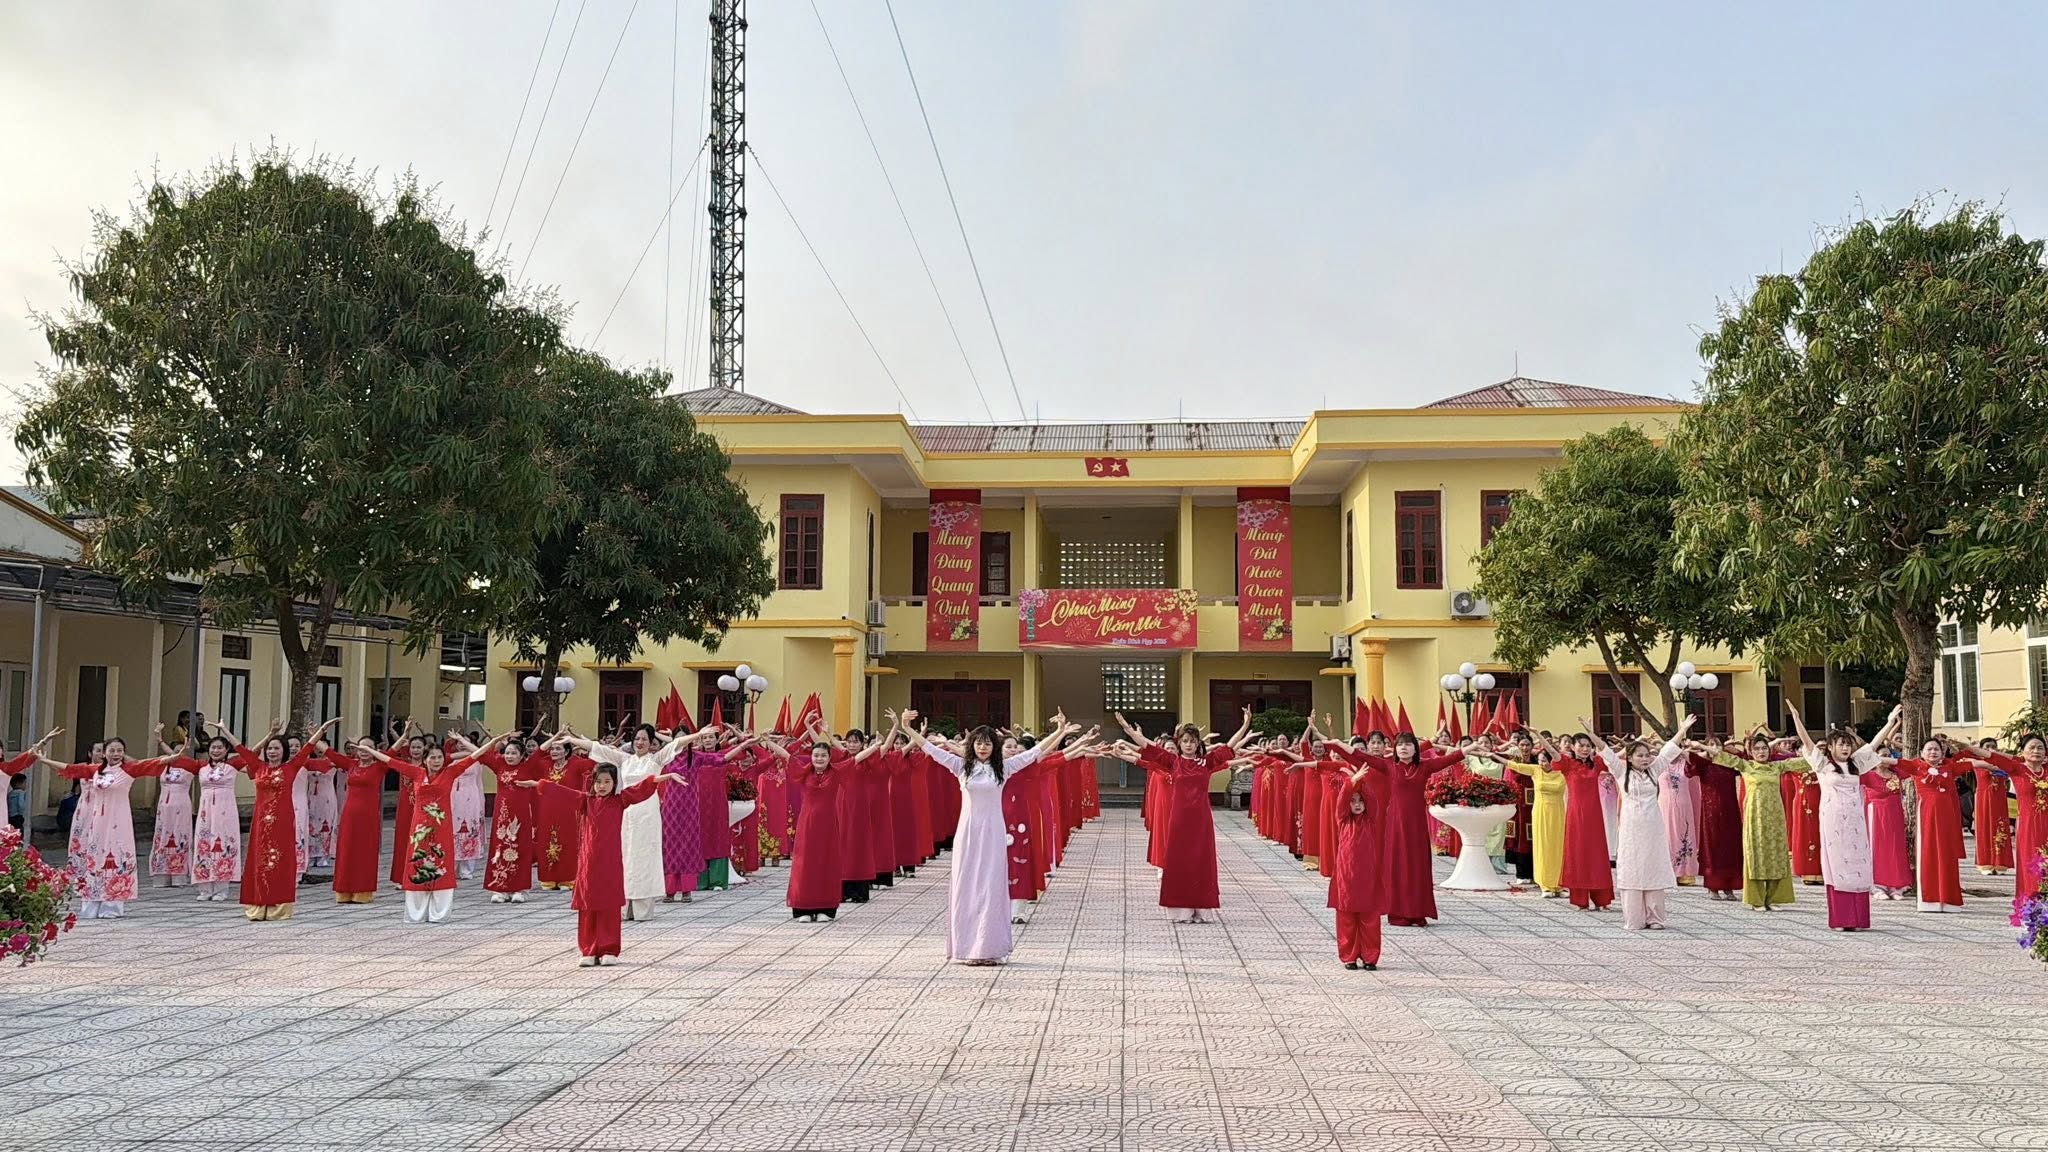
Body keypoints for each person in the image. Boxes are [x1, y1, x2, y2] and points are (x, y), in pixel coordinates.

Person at [903, 709, 1056, 962]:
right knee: (967, 886)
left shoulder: (1004, 768)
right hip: (968, 834)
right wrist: (907, 728)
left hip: (994, 832)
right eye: (978, 743)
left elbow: (1035, 752)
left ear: (994, 747)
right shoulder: (960, 766)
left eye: (987, 743)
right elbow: (930, 748)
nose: (982, 748)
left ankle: (990, 948)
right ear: (972, 745)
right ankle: (967, 948)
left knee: (992, 886)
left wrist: (1059, 731)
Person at [515, 762, 684, 965]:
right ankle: (588, 949)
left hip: (610, 862)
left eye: (607, 781)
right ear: (593, 783)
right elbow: (562, 793)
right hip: (589, 862)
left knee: (609, 904)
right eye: (598, 781)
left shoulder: (620, 801)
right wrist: (538, 784)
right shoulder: (586, 801)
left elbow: (639, 789)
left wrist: (665, 777)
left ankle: (608, 949)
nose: (602, 786)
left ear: (615, 783)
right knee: (588, 905)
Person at [1110, 708, 1251, 925]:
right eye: (1185, 741)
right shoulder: (1173, 762)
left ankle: (1202, 909)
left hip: (1201, 820)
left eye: (1192, 741)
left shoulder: (1207, 762)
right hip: (1178, 819)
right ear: (1179, 743)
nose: (1189, 745)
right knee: (1179, 861)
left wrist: (1245, 724)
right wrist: (1127, 728)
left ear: (1198, 743)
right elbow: (1147, 746)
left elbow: (1229, 747)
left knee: (1201, 861)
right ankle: (1181, 910)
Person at [554, 725, 693, 921]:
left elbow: (676, 744)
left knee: (644, 859)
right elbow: (597, 748)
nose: (640, 743)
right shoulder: (625, 760)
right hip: (626, 814)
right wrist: (571, 740)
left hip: (647, 815)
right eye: (637, 739)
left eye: (644, 739)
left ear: (651, 742)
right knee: (625, 859)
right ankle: (623, 906)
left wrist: (698, 734)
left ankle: (643, 910)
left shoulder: (655, 760)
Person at [364, 735, 505, 924]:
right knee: (418, 864)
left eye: (439, 757)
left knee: (440, 864)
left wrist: (493, 742)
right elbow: (389, 760)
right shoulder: (416, 773)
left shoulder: (451, 772)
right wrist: (369, 750)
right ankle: (416, 913)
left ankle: (439, 913)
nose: (436, 761)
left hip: (441, 829)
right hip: (419, 830)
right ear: (425, 759)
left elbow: (475, 755)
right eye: (432, 757)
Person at [36, 731, 174, 919]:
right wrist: (44, 760)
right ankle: (91, 905)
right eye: (112, 750)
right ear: (104, 753)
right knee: (94, 857)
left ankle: (112, 905)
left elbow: (155, 763)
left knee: (116, 855)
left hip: (119, 821)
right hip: (97, 822)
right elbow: (69, 769)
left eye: (120, 750)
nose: (116, 754)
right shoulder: (94, 770)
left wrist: (178, 754)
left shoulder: (129, 770)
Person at [226, 718, 340, 922]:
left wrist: (322, 730)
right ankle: (259, 903)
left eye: (276, 748)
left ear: (284, 751)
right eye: (270, 748)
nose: (272, 752)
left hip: (282, 821)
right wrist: (225, 730)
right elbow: (241, 749)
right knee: (260, 861)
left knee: (279, 860)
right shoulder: (258, 767)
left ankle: (278, 905)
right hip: (261, 823)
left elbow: (308, 748)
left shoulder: (291, 768)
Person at [1588, 716, 1692, 930]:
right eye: (1640, 755)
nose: (1645, 759)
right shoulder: (1621, 772)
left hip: (1653, 829)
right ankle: (1634, 919)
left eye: (1647, 755)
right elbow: (1607, 753)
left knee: (1653, 869)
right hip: (1630, 830)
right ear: (1630, 757)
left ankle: (1655, 918)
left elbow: (1668, 751)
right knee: (1632, 870)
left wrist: (1682, 730)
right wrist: (1591, 734)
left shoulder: (1654, 770)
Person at [1789, 705, 1885, 931]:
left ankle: (1859, 919)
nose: (1845, 747)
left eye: (1847, 744)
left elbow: (1873, 745)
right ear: (1830, 747)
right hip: (1833, 823)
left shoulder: (1856, 765)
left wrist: (1890, 723)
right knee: (1838, 867)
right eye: (1840, 744)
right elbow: (1808, 743)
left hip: (1856, 823)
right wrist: (1796, 718)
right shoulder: (1823, 766)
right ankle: (1842, 919)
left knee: (1858, 865)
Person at [1952, 734, 2046, 918]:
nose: (2036, 751)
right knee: (2032, 865)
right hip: (2030, 827)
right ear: (2022, 752)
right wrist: (1967, 747)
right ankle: (2033, 907)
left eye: (2040, 747)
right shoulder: (2017, 768)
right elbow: (1991, 756)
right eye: (2032, 747)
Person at [1536, 732, 1615, 911]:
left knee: (1597, 855)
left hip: (1594, 815)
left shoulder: (1597, 763)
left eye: (1588, 746)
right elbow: (1552, 752)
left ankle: (1601, 900)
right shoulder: (1568, 764)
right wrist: (1537, 735)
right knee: (1578, 854)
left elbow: (1612, 755)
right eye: (1581, 745)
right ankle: (1581, 901)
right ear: (1573, 747)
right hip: (1576, 815)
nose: (1585, 749)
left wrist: (1592, 733)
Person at [1888, 736, 1966, 912]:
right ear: (1922, 753)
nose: (1933, 752)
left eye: (1936, 749)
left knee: (1947, 855)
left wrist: (1995, 761)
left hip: (1947, 820)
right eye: (1929, 749)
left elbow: (1976, 763)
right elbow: (1889, 760)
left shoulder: (1950, 768)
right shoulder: (1916, 766)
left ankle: (1949, 900)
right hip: (1927, 818)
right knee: (1928, 854)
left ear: (1942, 752)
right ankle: (1929, 900)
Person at [1329, 758, 1392, 970]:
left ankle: (1370, 957)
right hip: (1346, 876)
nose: (1357, 804)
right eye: (1353, 801)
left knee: (1370, 918)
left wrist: (1361, 782)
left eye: (1360, 801)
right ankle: (1349, 956)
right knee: (1346, 917)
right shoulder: (1343, 820)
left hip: (1368, 876)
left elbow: (1373, 800)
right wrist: (1351, 782)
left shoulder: (1370, 820)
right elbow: (1341, 801)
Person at [327, 737, 390, 904]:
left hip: (368, 816)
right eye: (361, 747)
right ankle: (344, 890)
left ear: (374, 750)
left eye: (369, 747)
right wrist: (319, 732)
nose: (365, 750)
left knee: (365, 851)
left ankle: (363, 891)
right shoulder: (351, 764)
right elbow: (329, 753)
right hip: (349, 815)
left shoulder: (379, 767)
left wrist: (404, 735)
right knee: (346, 850)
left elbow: (392, 753)